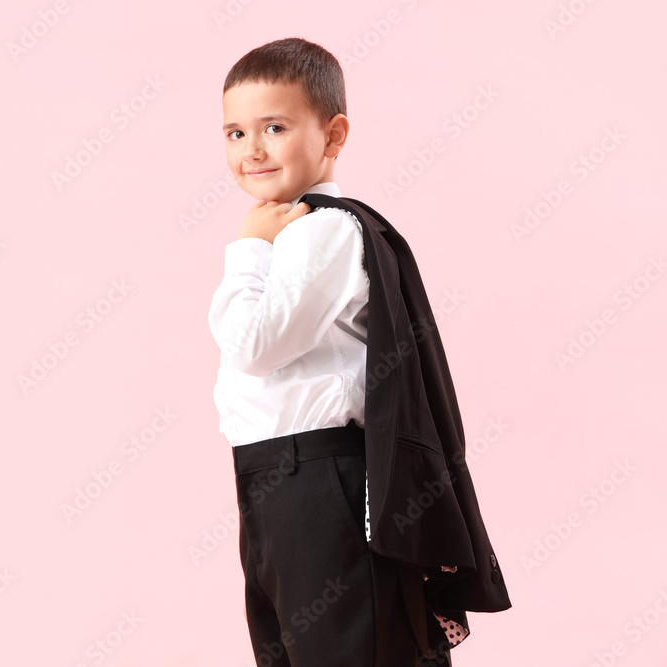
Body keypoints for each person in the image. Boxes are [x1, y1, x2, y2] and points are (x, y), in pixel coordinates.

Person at [208, 37, 511, 666]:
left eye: (275, 126)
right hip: (272, 479)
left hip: (322, 480)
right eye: (235, 133)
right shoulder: (290, 230)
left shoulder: (321, 230)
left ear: (333, 135)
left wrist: (247, 251)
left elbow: (253, 346)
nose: (252, 149)